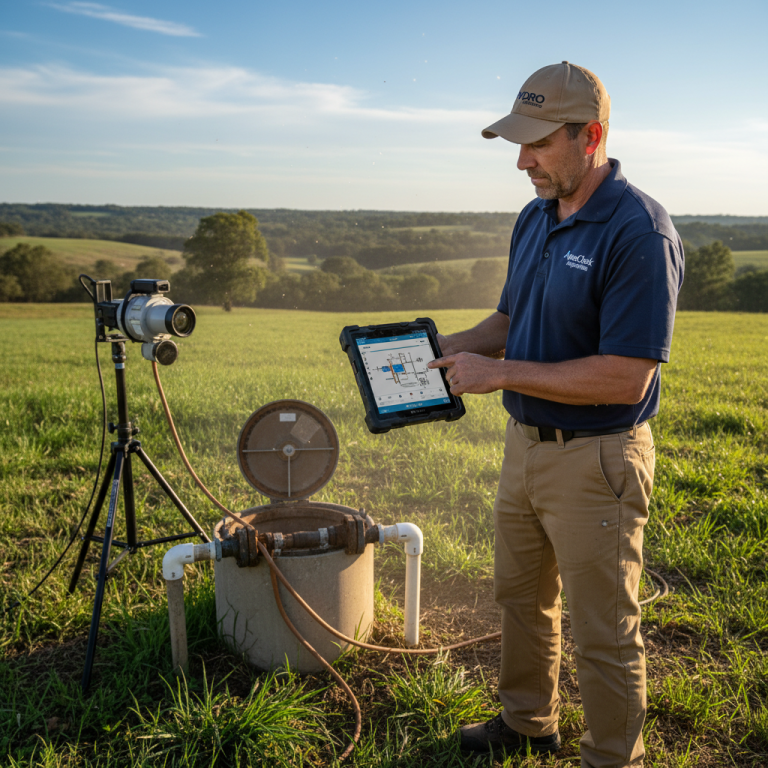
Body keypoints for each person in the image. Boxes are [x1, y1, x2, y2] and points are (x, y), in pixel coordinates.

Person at [427, 61, 684, 768]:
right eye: (519, 143)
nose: (522, 161)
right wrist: (445, 348)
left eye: (538, 144)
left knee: (603, 628)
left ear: (591, 135)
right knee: (520, 599)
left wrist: (498, 373)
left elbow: (627, 376)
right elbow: (510, 319)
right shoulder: (537, 216)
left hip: (598, 458)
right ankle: (528, 721)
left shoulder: (639, 232)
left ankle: (611, 757)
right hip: (526, 446)